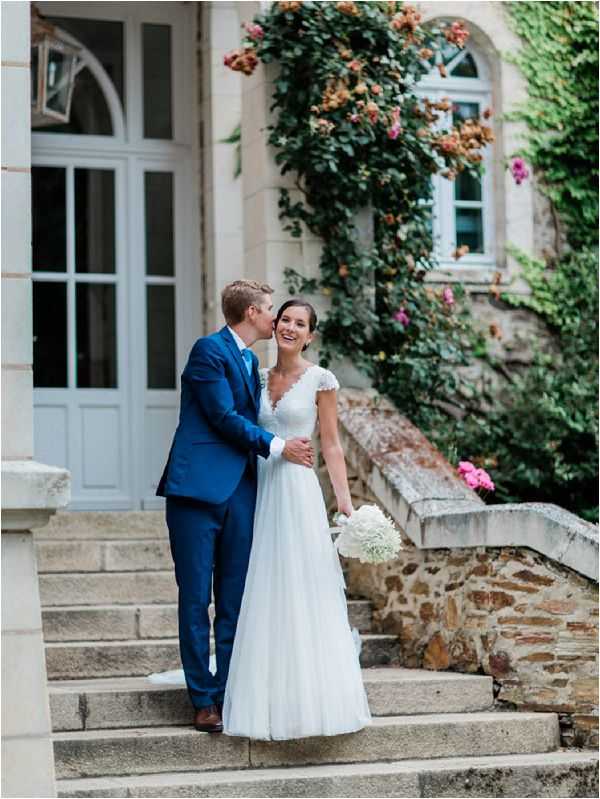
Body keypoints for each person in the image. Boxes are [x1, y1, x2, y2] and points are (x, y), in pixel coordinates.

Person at [156, 280, 314, 733]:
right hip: (196, 493)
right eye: (270, 310)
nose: (275, 318)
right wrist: (279, 446)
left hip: (243, 495)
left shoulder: (250, 362)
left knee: (234, 600)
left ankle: (229, 691)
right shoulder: (208, 351)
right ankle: (202, 699)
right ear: (250, 313)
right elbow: (224, 418)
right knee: (195, 599)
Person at [223, 298, 372, 740]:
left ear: (310, 335)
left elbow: (331, 445)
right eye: (284, 319)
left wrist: (344, 503)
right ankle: (263, 691)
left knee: (303, 584)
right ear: (274, 325)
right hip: (260, 488)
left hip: (298, 490)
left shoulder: (321, 380)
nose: (289, 327)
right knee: (264, 585)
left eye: (300, 323)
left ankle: (312, 696)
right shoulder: (255, 375)